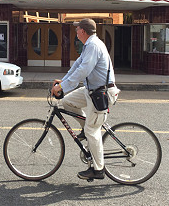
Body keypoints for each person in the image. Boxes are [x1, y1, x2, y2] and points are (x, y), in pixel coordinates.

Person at [51, 18, 120, 180]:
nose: (75, 32)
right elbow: (76, 66)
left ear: (83, 31)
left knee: (92, 131)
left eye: (77, 29)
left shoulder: (94, 46)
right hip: (91, 90)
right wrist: (63, 82)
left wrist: (61, 87)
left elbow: (83, 71)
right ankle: (85, 127)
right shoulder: (88, 45)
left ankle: (98, 170)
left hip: (100, 94)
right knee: (67, 102)